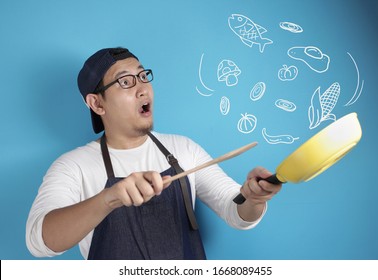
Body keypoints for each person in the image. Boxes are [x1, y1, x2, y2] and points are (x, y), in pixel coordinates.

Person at [26, 47, 282, 260]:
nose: (143, 89)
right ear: (97, 103)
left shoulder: (183, 149)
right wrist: (109, 199)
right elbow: (39, 241)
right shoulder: (73, 166)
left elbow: (235, 210)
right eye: (125, 82)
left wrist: (253, 199)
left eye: (143, 76)